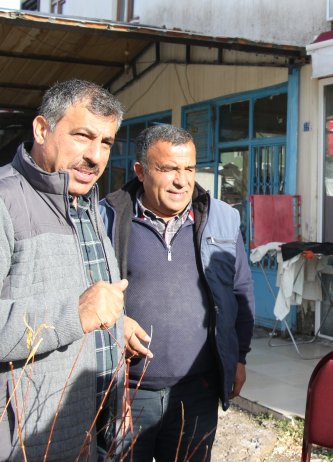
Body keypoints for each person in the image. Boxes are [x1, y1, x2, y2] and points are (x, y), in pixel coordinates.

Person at [0, 80, 138, 461]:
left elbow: (76, 301)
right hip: (11, 443)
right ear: (41, 129)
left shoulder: (84, 206)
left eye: (106, 143)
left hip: (80, 431)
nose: (95, 156)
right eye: (82, 136)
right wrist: (73, 312)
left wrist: (116, 336)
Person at [99, 124, 254, 462]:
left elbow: (240, 291)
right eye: (168, 169)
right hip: (127, 392)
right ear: (140, 171)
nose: (182, 180)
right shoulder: (106, 219)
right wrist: (115, 325)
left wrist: (239, 357)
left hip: (197, 391)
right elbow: (87, 297)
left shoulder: (222, 219)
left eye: (189, 169)